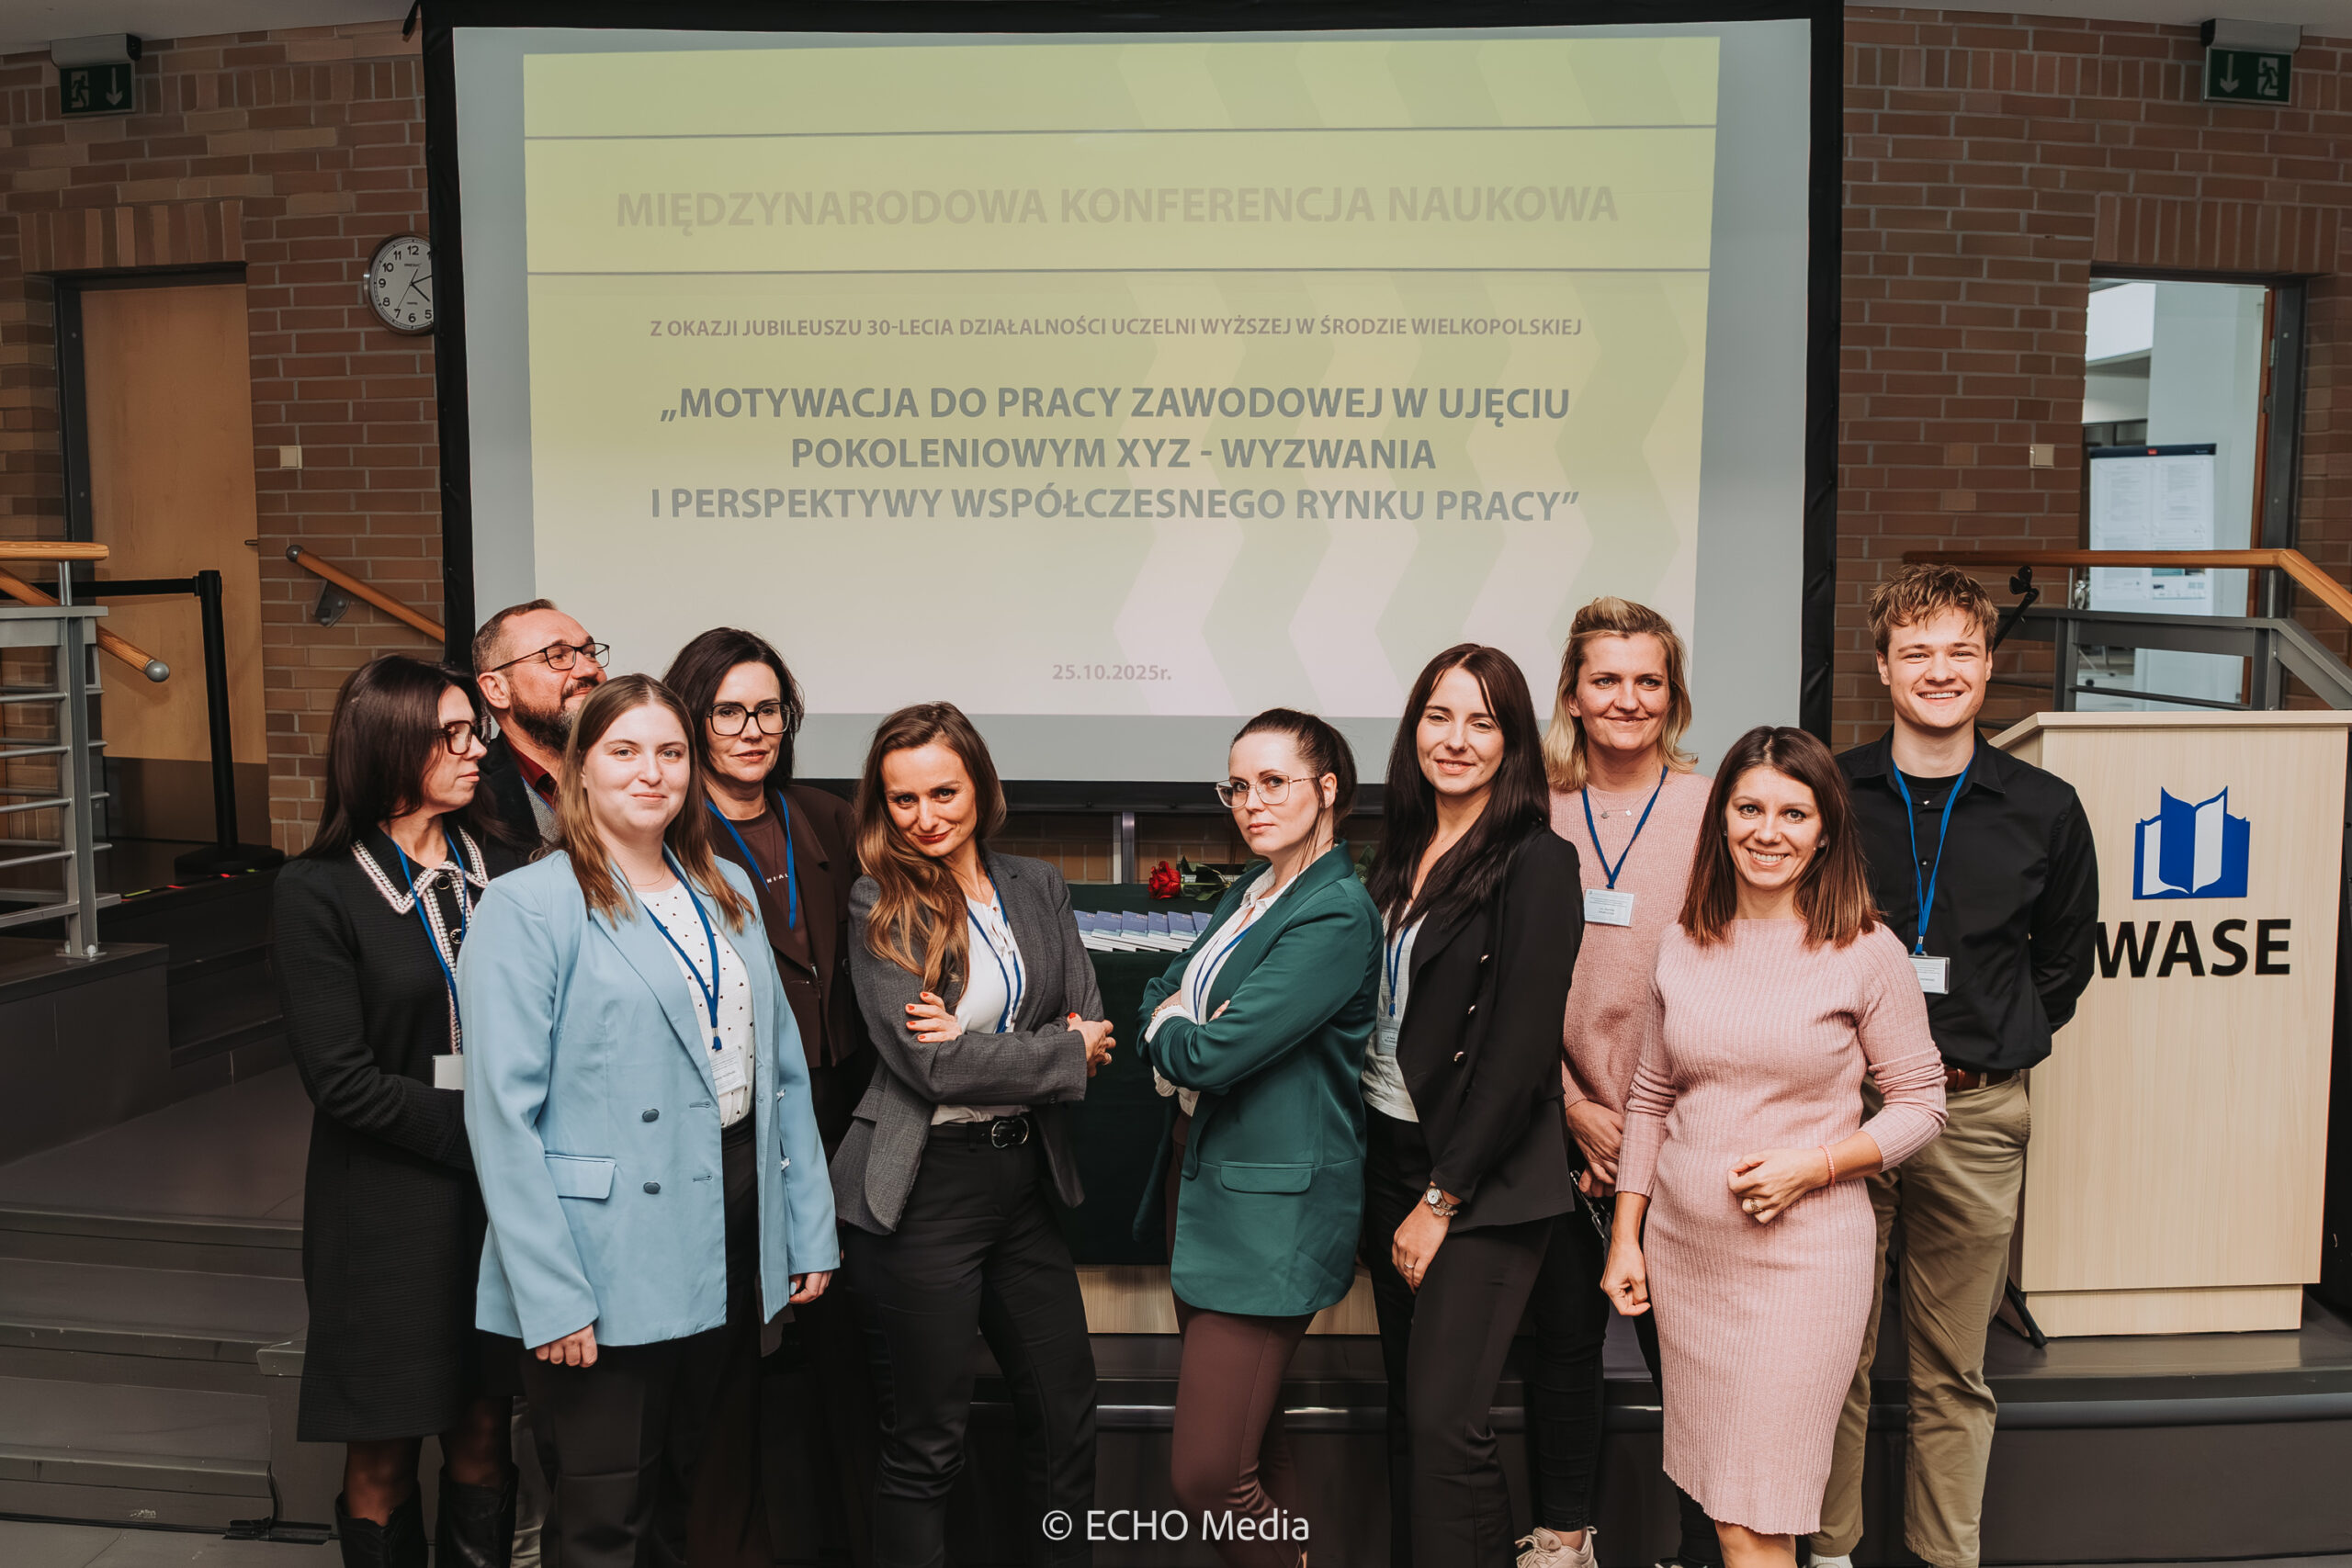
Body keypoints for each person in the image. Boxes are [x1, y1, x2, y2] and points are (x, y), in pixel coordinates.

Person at [458, 674, 839, 1568]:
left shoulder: (724, 884)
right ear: (579, 769)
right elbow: (503, 1121)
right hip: (603, 1246)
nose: (651, 771)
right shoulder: (528, 906)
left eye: (670, 752)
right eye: (624, 751)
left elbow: (781, 1073)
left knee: (686, 1496)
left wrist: (806, 1227)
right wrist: (552, 1295)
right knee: (605, 1517)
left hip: (728, 1216)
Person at [1600, 726, 1949, 1568]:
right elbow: (1650, 1096)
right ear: (1720, 819)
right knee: (1726, 1503)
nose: (1768, 831)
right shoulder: (1682, 942)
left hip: (1803, 1264)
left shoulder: (1866, 950)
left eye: (1794, 813)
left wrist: (1815, 1165)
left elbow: (1922, 1103)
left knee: (1755, 1513)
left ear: (1825, 829)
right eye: (1749, 808)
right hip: (1687, 1258)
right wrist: (1625, 1237)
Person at [1813, 566, 2098, 1568]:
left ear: (1986, 667)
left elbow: (2063, 964)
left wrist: (1986, 1041)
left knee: (1952, 1370)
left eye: (1960, 652)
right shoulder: (1829, 795)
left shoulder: (2046, 808)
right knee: (1832, 1362)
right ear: (1884, 668)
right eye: (1917, 652)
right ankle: (1829, 1554)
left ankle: (1944, 1559)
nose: (1940, 671)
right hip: (1843, 1113)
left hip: (1974, 1117)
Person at [832, 702, 1114, 1568]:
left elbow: (1093, 1021)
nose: (925, 816)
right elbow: (934, 1069)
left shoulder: (1038, 883)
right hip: (923, 1191)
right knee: (928, 1443)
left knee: (1066, 1416)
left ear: (981, 785)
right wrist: (1055, 1050)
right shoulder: (879, 898)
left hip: (1023, 1179)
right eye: (903, 799)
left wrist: (995, 1045)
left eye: (944, 792)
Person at [273, 654, 523, 1568]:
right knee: (382, 1451)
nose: (476, 751)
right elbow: (342, 1080)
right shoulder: (319, 890)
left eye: (474, 731)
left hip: (499, 1203)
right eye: (450, 735)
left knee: (485, 1431)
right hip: (384, 1205)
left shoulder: (506, 866)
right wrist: (491, 1133)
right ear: (388, 746)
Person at [1136, 708, 1381, 1568]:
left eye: (1274, 782)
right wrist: (1173, 1017)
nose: (1251, 802)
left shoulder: (1336, 912)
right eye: (1238, 785)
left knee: (1208, 1477)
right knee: (1254, 1449)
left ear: (1328, 789)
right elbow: (1161, 986)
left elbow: (1213, 1052)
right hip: (1206, 1186)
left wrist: (1172, 1030)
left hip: (1270, 1216)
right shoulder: (1256, 886)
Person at [1357, 649, 1583, 1567]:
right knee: (1413, 1417)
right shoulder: (1398, 852)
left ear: (1512, 741)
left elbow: (1520, 1053)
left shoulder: (1538, 861)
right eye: (1439, 716)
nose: (1455, 739)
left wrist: (1441, 1197)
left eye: (1482, 721)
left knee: (1448, 1424)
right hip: (1387, 1156)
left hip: (1478, 1177)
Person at [661, 627, 876, 1568]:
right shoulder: (670, 830)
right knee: (734, 1362)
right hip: (732, 1124)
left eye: (769, 710)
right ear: (693, 719)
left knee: (841, 1353)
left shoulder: (828, 816)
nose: (753, 729)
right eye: (729, 712)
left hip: (841, 1106)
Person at [1518, 600, 1714, 1568]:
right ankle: (1562, 1540)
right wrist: (1572, 1109)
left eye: (1648, 680)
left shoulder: (1715, 809)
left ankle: (1704, 1548)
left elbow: (1733, 971)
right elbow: (1499, 983)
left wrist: (1637, 1124)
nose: (1627, 699)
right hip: (1553, 1122)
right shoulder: (1529, 809)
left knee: (1692, 1359)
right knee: (1560, 1347)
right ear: (1572, 695)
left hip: (1678, 1127)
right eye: (1606, 680)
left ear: (1672, 696)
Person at [470, 599, 609, 843]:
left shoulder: (638, 770)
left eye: (589, 653)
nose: (589, 669)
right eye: (557, 656)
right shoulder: (471, 795)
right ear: (497, 689)